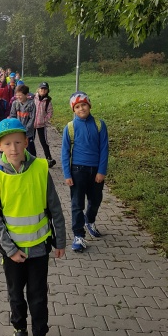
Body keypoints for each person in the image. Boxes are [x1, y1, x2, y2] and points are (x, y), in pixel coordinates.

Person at [0, 118, 66, 336]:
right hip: (12, 253)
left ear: (27, 142)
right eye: (8, 143)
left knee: (38, 295)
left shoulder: (40, 169)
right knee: (15, 294)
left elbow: (55, 208)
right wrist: (10, 250)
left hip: (39, 248)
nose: (14, 148)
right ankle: (20, 331)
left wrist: (60, 240)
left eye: (18, 142)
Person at [61, 91, 109, 253]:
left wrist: (101, 171)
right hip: (77, 171)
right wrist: (67, 174)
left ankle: (90, 220)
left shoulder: (99, 125)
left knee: (95, 200)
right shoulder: (70, 127)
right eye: (77, 107)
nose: (81, 109)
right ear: (73, 110)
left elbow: (104, 149)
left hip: (96, 171)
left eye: (84, 105)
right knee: (77, 204)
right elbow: (65, 152)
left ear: (89, 106)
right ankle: (78, 235)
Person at [9, 84, 36, 156]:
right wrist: (15, 127)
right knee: (19, 149)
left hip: (28, 132)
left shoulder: (31, 104)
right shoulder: (15, 103)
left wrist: (25, 129)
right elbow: (12, 115)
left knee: (30, 150)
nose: (18, 97)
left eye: (20, 95)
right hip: (18, 131)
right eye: (17, 95)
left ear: (26, 95)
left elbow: (32, 118)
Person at [34, 82, 56, 168]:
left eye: (45, 89)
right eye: (41, 89)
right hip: (32, 124)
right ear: (38, 89)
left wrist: (44, 119)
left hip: (41, 125)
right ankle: (31, 158)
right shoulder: (33, 98)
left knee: (43, 142)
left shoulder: (47, 101)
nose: (43, 90)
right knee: (30, 141)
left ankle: (48, 158)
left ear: (47, 91)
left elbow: (50, 112)